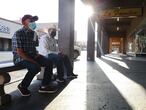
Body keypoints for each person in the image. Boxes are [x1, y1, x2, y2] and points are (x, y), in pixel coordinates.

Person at [12, 14, 57, 97]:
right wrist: (34, 61)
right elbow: (20, 52)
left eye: (34, 21)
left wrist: (38, 57)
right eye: (30, 21)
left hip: (32, 55)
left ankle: (44, 86)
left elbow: (34, 48)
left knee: (49, 62)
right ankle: (23, 86)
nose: (33, 23)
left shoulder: (34, 34)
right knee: (35, 67)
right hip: (20, 58)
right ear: (24, 22)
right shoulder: (18, 33)